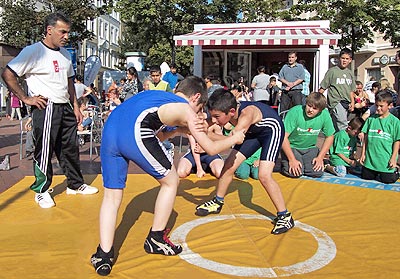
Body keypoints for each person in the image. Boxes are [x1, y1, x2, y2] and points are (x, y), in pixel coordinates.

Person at [90, 76, 245, 276]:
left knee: (112, 196)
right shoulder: (186, 108)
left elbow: (159, 135)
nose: (198, 114)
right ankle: (156, 238)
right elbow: (211, 147)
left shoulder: (159, 97)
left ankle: (104, 254)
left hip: (111, 130)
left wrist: (180, 130)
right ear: (196, 97)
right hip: (134, 131)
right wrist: (234, 138)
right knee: (171, 181)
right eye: (200, 109)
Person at [1, 12, 98, 209]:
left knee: (70, 147)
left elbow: (70, 81)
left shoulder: (64, 54)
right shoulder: (33, 51)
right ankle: (41, 190)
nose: (66, 36)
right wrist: (26, 98)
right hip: (46, 106)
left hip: (65, 106)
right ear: (49, 30)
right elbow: (8, 74)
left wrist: (76, 106)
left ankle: (75, 184)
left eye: (68, 32)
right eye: (63, 32)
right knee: (45, 149)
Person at [195, 88, 294, 235]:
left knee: (264, 175)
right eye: (212, 116)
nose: (214, 120)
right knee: (228, 165)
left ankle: (285, 216)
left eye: (216, 117)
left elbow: (234, 140)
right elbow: (207, 125)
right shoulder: (226, 111)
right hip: (253, 132)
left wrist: (210, 142)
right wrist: (202, 126)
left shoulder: (246, 116)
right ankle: (217, 201)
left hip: (271, 131)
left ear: (232, 112)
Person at [280, 92, 335, 178]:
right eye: (309, 106)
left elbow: (330, 136)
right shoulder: (295, 112)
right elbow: (283, 137)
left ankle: (310, 162)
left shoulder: (325, 115)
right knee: (295, 172)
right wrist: (292, 160)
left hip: (310, 148)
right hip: (292, 147)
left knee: (317, 172)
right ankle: (285, 163)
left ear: (320, 110)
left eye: (315, 108)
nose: (310, 110)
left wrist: (320, 157)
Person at [359, 91, 400, 184]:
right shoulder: (371, 120)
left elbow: (397, 141)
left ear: (389, 106)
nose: (378, 108)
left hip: (385, 160)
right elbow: (365, 138)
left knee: (388, 180)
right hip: (370, 160)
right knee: (366, 177)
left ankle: (395, 171)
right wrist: (363, 154)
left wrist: (393, 158)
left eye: (381, 106)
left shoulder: (395, 122)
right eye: (377, 105)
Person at [318, 48, 356, 131]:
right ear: (339, 58)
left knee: (335, 126)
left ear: (350, 60)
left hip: (346, 102)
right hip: (336, 101)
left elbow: (351, 90)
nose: (344, 61)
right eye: (343, 58)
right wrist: (316, 99)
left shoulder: (350, 73)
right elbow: (323, 87)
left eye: (347, 59)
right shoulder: (332, 71)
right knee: (343, 123)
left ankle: (334, 142)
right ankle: (344, 142)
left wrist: (352, 102)